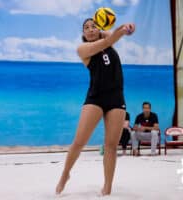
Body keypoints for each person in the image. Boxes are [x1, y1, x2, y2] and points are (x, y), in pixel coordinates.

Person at [55, 18, 135, 196]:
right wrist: (119, 32)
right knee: (79, 142)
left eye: (93, 26)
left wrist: (128, 27)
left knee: (111, 146)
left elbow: (116, 34)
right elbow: (108, 40)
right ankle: (65, 174)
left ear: (99, 28)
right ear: (83, 34)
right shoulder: (82, 49)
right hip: (95, 98)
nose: (90, 29)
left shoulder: (108, 38)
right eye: (86, 28)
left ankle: (107, 187)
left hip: (116, 97)